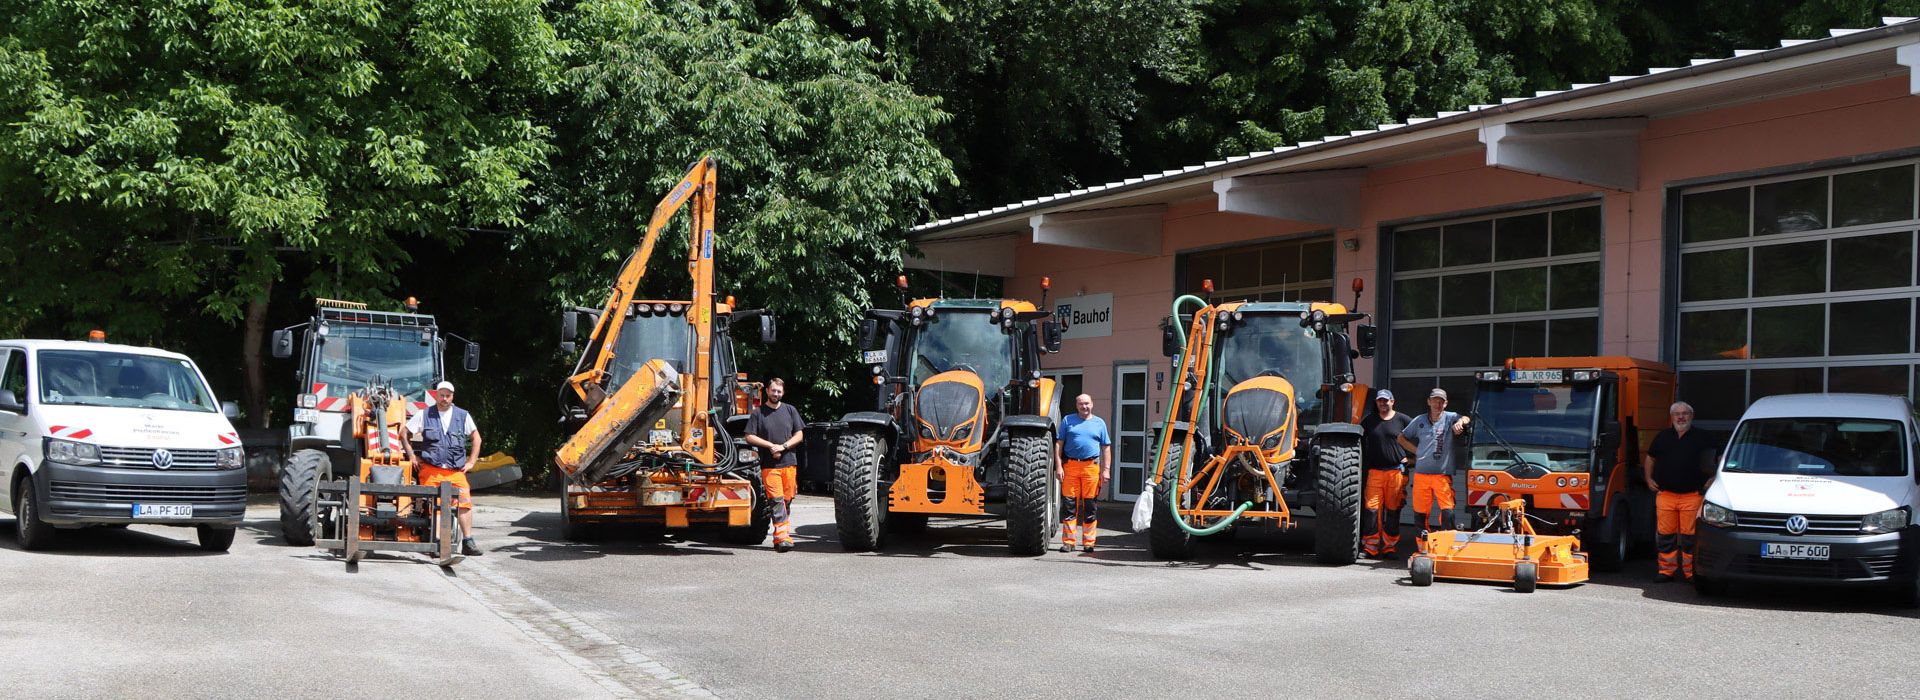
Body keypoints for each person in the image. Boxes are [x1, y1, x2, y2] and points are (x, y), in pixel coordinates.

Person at [405, 381, 482, 556]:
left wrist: (471, 462)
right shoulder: (424, 414)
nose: (444, 399)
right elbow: (404, 433)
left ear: (452, 397)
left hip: (455, 471)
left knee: (464, 501)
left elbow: (477, 439)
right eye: (441, 395)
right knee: (437, 503)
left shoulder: (462, 416)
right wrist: (411, 455)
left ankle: (468, 541)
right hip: (432, 470)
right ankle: (438, 542)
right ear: (436, 395)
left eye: (448, 396)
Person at [1642, 401, 1716, 583]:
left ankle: (1691, 573)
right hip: (1666, 495)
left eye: (1685, 413)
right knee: (1665, 536)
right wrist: (1648, 479)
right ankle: (1666, 571)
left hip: (1692, 495)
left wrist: (1714, 478)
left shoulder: (1704, 437)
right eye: (1677, 413)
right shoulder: (1662, 437)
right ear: (1672, 417)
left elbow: (1720, 459)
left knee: (1690, 537)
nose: (1681, 417)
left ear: (1692, 416)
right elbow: (1650, 459)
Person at [1397, 388, 1470, 534]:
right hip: (1421, 475)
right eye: (1435, 400)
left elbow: (1467, 418)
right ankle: (1422, 545)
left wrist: (1461, 422)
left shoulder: (1450, 418)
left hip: (1442, 476)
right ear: (1429, 402)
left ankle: (1445, 544)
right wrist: (1417, 451)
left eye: (1441, 401)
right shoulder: (1419, 420)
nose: (1438, 404)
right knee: (1420, 513)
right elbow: (1401, 438)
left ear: (1446, 404)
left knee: (1448, 511)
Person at [744, 378, 805, 553]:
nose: (775, 394)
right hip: (769, 465)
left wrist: (783, 446)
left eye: (779, 391)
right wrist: (770, 446)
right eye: (773, 390)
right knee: (776, 500)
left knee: (786, 500)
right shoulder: (758, 413)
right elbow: (749, 436)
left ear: (782, 393)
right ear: (768, 391)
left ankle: (783, 534)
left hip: (789, 463)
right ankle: (781, 538)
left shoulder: (790, 410)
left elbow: (799, 435)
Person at [1055, 393, 1112, 553]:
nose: (1084, 407)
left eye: (1087, 403)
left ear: (1092, 404)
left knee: (1090, 506)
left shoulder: (1099, 423)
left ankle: (1089, 543)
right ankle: (1069, 542)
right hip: (1071, 467)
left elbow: (1106, 447)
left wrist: (1106, 469)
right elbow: (1059, 444)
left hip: (1091, 468)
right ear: (1076, 405)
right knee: (1069, 506)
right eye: (1081, 404)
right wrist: (1059, 466)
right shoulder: (1068, 420)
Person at [1360, 390, 1413, 558]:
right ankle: (1371, 547)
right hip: (1375, 472)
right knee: (1371, 510)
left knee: (1393, 510)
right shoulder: (1369, 421)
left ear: (1392, 401)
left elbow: (1423, 436)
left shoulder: (1403, 420)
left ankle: (1389, 547)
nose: (1382, 404)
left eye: (1385, 401)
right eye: (1379, 401)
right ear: (1376, 403)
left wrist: (1413, 459)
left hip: (1396, 472)